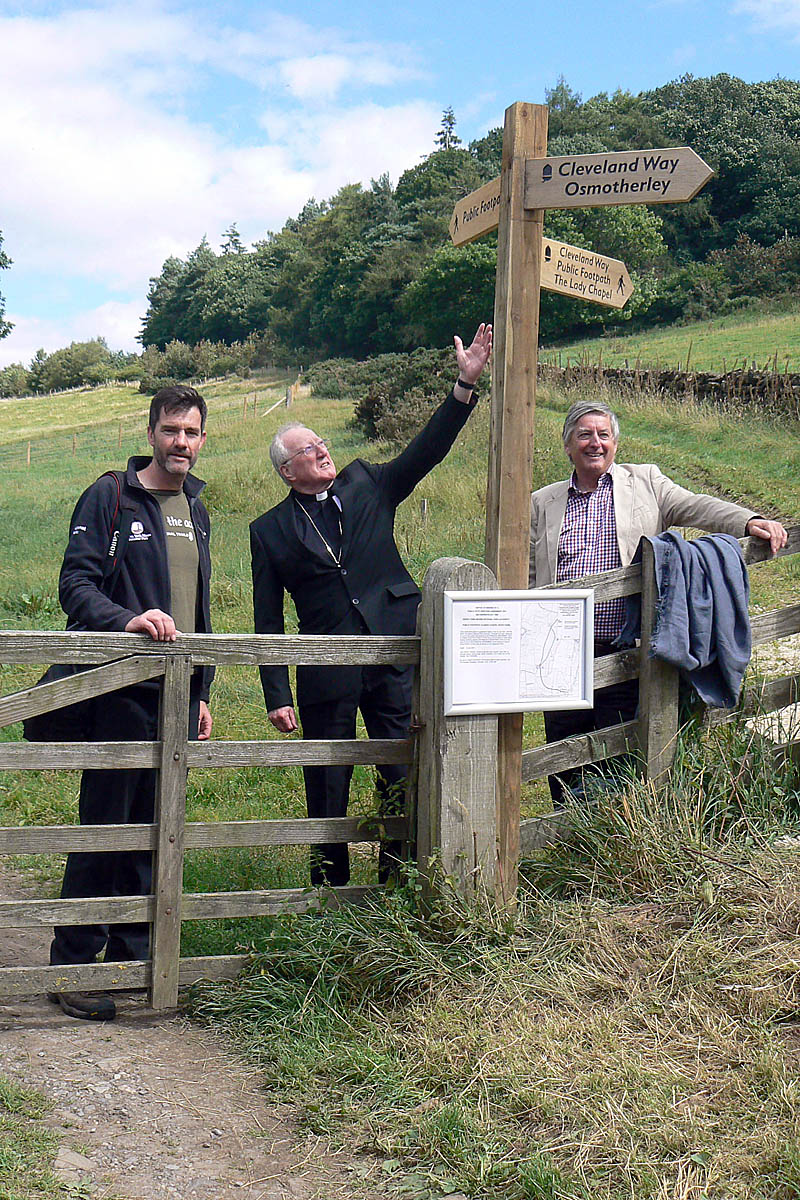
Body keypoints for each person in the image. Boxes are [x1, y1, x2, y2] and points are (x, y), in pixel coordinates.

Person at [250, 324, 492, 886]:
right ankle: (328, 887)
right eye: (308, 450)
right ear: (287, 470)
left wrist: (463, 387)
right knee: (326, 779)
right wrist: (277, 694)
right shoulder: (269, 530)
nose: (322, 451)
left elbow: (425, 453)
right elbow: (267, 617)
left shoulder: (366, 483)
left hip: (392, 654)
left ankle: (397, 877)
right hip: (327, 666)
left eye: (321, 443)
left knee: (399, 769)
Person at [529, 398, 788, 806]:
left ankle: (617, 833)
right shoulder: (542, 501)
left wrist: (747, 520)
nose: (595, 443)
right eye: (584, 435)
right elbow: (530, 573)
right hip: (561, 653)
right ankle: (569, 836)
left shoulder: (646, 482)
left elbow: (695, 505)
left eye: (603, 434)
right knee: (564, 752)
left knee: (619, 758)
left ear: (615, 443)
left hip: (625, 652)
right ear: (567, 445)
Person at [48, 385, 214, 1021]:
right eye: (171, 430)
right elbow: (75, 584)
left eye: (191, 432)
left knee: (156, 832)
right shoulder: (110, 495)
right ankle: (72, 966)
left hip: (177, 696)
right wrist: (128, 621)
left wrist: (201, 692)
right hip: (117, 688)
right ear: (151, 434)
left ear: (202, 439)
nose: (181, 442)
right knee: (105, 830)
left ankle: (135, 962)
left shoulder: (197, 509)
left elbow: (197, 610)